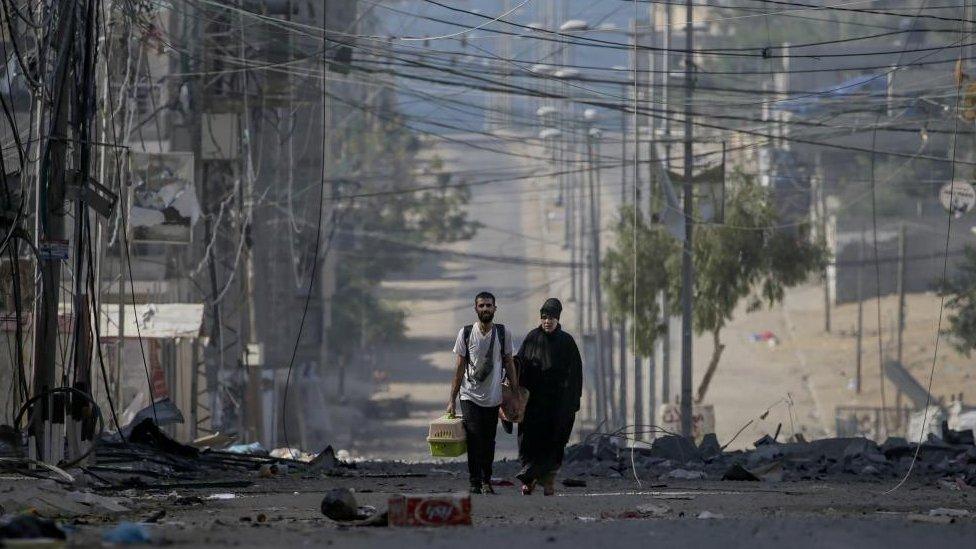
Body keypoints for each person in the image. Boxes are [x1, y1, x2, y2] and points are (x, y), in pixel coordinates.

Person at [447, 291, 518, 494]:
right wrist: (452, 399)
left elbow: (509, 363)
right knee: (473, 437)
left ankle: (487, 479)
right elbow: (459, 368)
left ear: (495, 309)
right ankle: (474, 481)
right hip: (469, 395)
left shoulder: (503, 333)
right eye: (481, 306)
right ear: (476, 309)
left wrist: (515, 394)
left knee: (488, 440)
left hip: (493, 397)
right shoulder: (466, 333)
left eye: (489, 305)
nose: (485, 309)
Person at [514, 298, 582, 496]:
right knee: (528, 441)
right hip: (534, 404)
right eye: (544, 318)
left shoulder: (567, 342)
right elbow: (519, 365)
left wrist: (572, 401)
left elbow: (576, 374)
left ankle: (548, 481)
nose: (547, 321)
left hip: (558, 404)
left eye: (551, 318)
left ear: (557, 319)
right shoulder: (532, 338)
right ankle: (528, 479)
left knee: (554, 442)